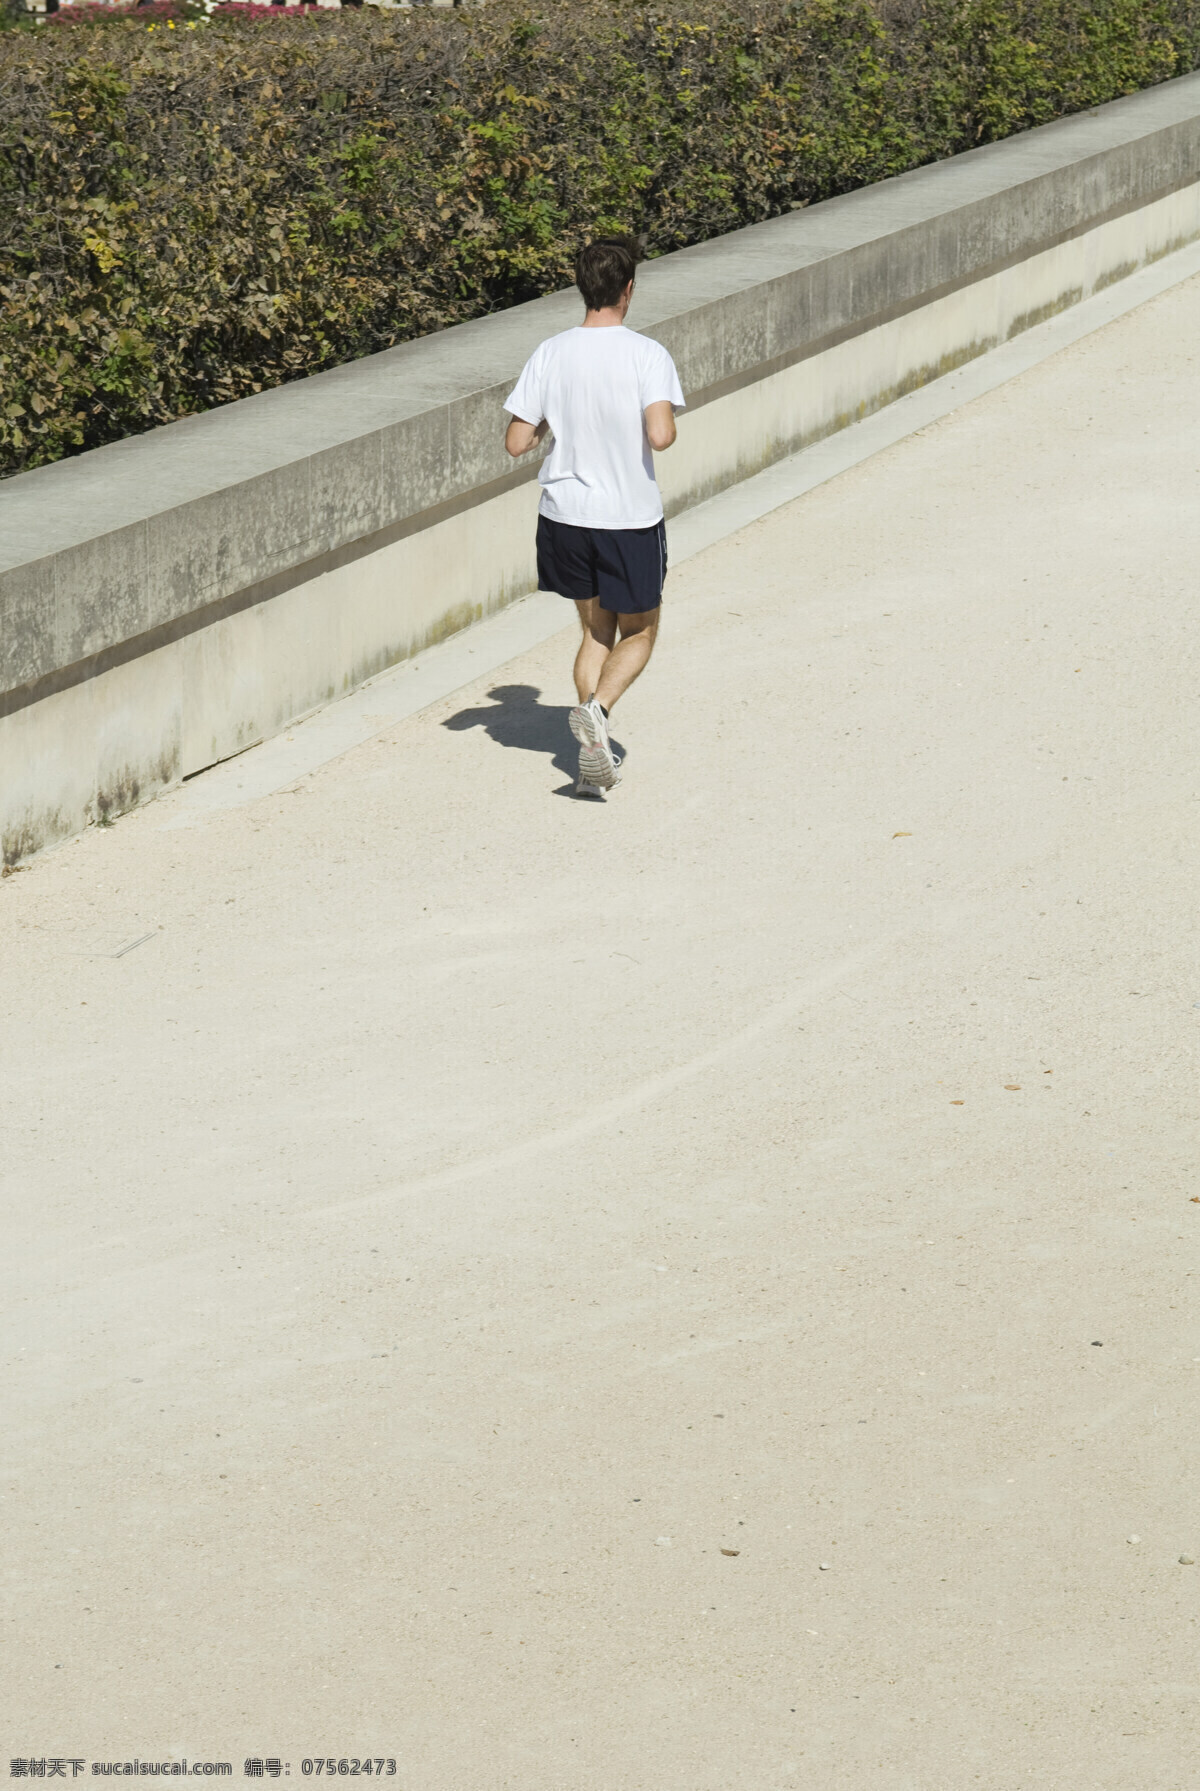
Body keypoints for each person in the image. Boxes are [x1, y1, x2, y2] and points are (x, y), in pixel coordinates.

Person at [502, 236, 686, 797]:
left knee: (595, 629)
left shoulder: (550, 352)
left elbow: (516, 441)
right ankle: (599, 710)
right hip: (625, 516)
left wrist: (555, 422)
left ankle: (590, 752)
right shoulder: (646, 354)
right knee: (641, 630)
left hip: (564, 515)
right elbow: (660, 434)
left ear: (583, 288)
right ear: (628, 289)